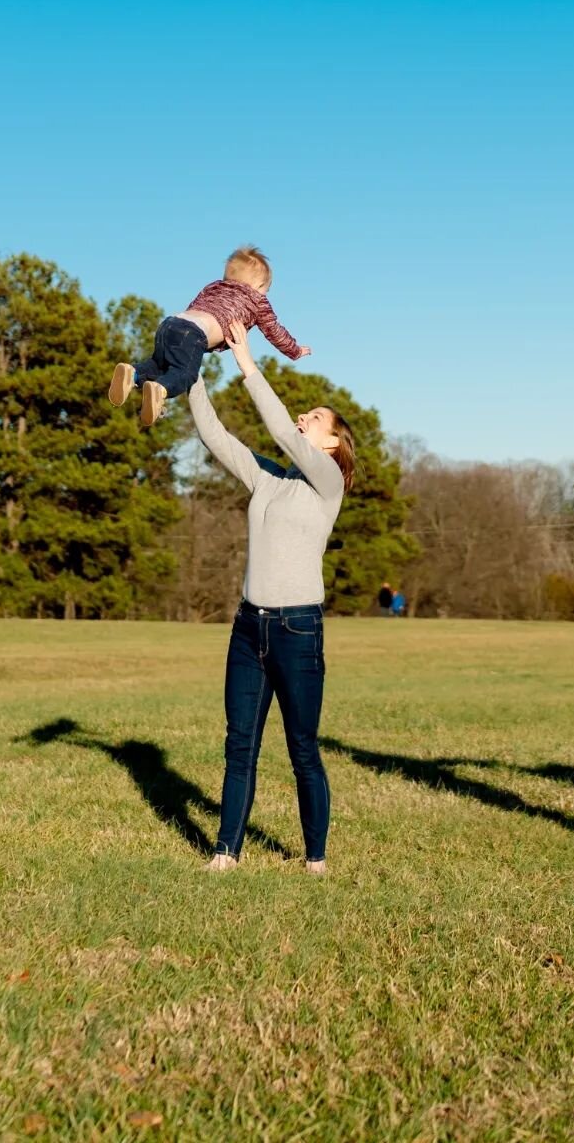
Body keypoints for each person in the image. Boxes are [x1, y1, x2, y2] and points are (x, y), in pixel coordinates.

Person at [189, 320, 355, 875]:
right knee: (240, 744)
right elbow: (217, 437)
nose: (304, 419)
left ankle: (315, 857)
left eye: (315, 418)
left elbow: (282, 432)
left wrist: (247, 364)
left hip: (298, 631)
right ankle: (225, 851)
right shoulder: (269, 482)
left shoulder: (327, 483)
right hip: (247, 629)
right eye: (304, 413)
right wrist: (191, 374)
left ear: (332, 443)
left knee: (302, 749)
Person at [108, 244, 309, 428]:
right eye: (267, 289)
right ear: (259, 285)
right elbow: (275, 331)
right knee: (184, 374)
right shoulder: (258, 300)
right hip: (194, 334)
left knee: (158, 365)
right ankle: (161, 390)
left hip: (171, 323)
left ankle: (132, 372)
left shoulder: (214, 286)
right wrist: (295, 350)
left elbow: (194, 306)